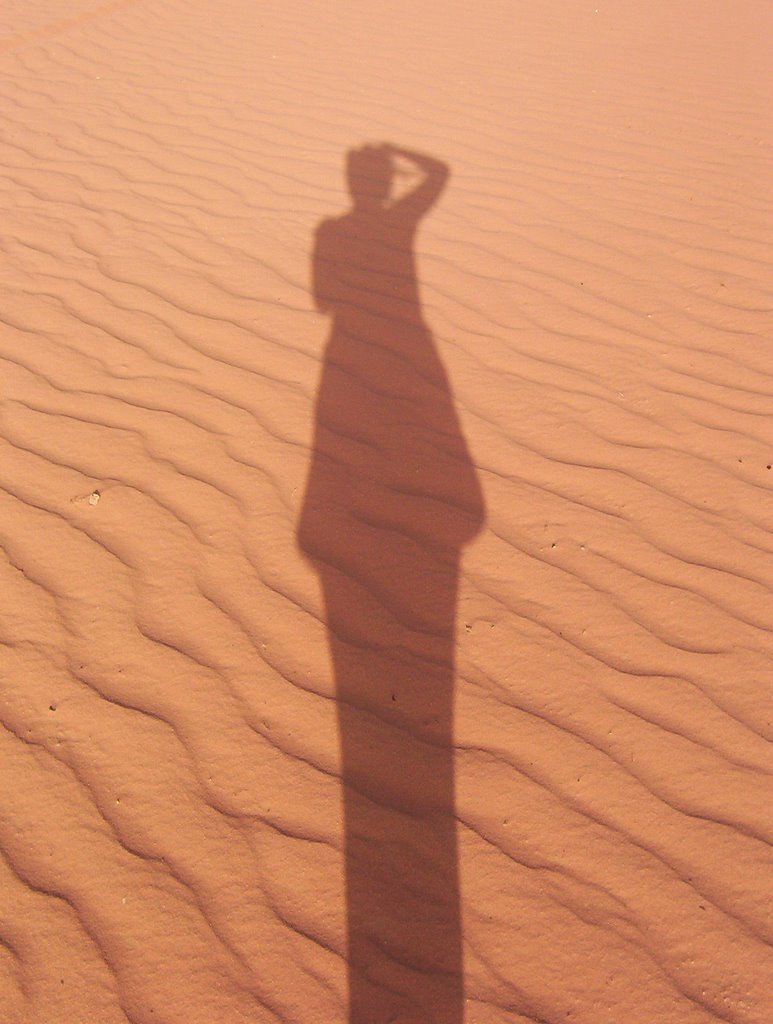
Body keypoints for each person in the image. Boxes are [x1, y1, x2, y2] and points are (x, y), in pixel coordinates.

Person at [298, 143, 484, 1023]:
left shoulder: (336, 231)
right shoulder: (395, 220)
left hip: (355, 377)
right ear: (378, 186)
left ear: (349, 188)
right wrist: (406, 162)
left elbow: (321, 301)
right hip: (406, 373)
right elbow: (440, 176)